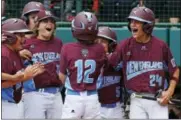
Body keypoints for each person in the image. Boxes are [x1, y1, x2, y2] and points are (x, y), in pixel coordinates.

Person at [109, 6, 180, 119]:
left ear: (147, 26)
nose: (132, 25)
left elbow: (175, 70)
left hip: (158, 99)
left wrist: (170, 92)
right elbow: (109, 66)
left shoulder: (161, 46)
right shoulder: (124, 46)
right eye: (131, 21)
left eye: (137, 22)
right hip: (136, 99)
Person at [59, 11, 106, 119]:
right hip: (92, 97)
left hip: (73, 96)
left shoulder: (67, 48)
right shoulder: (100, 48)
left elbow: (61, 77)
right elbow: (102, 72)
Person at [22, 10, 63, 119]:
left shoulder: (58, 43)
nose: (49, 24)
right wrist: (19, 54)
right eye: (45, 21)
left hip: (56, 94)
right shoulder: (27, 43)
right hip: (34, 94)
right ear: (37, 25)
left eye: (52, 21)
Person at [1, 18, 44, 119]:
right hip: (5, 105)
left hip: (14, 103)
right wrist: (25, 77)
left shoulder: (15, 52)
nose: (24, 39)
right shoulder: (4, 55)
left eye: (24, 35)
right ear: (10, 37)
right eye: (20, 35)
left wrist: (32, 71)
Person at [95, 26, 124, 119]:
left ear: (111, 45)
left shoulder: (118, 61)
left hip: (116, 107)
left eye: (103, 41)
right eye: (96, 41)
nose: (99, 44)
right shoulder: (90, 61)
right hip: (96, 107)